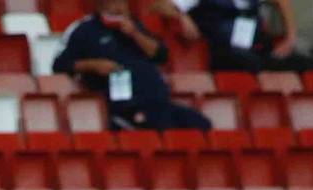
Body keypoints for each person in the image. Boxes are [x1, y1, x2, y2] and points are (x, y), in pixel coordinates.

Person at [54, 0, 212, 131]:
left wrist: (134, 34)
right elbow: (60, 64)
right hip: (125, 105)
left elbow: (160, 55)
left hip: (159, 101)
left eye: (122, 3)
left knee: (201, 125)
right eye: (113, 3)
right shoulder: (85, 30)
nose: (119, 8)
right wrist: (94, 65)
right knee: (162, 130)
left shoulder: (134, 26)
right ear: (101, 5)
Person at [164, 0, 313, 73]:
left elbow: (282, 2)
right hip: (222, 51)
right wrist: (182, 16)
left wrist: (290, 36)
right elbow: (161, 5)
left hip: (256, 49)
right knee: (249, 62)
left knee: (308, 65)